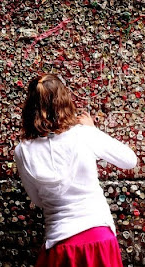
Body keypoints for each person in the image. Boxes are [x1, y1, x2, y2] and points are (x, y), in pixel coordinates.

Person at [13, 74, 137, 267]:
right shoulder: (84, 135)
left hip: (61, 244)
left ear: (30, 108)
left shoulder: (23, 151)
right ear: (65, 102)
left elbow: (38, 200)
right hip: (99, 237)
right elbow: (129, 160)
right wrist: (92, 130)